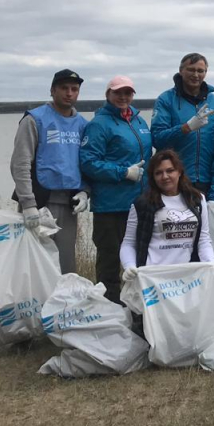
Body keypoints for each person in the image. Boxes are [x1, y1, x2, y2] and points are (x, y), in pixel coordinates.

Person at [120, 150, 214, 296]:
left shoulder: (197, 199)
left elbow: (203, 239)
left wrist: (211, 262)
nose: (165, 176)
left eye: (170, 170)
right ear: (152, 177)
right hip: (154, 277)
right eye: (158, 173)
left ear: (179, 172)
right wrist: (129, 266)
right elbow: (128, 243)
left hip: (188, 274)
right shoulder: (142, 204)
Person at [79, 76, 153, 304]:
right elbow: (88, 162)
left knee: (139, 260)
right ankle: (109, 308)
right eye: (118, 93)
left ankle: (137, 310)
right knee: (110, 261)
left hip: (139, 203)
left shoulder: (139, 122)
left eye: (128, 93)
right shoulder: (99, 124)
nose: (123, 97)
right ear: (107, 95)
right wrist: (123, 172)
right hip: (111, 206)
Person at [10, 68, 90, 274]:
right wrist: (28, 204)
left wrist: (85, 191)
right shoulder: (35, 119)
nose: (69, 93)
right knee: (35, 264)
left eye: (74, 89)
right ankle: (35, 306)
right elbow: (20, 164)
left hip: (68, 205)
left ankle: (64, 305)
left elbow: (87, 162)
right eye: (64, 88)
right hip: (39, 202)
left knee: (65, 265)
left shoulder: (82, 124)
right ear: (52, 90)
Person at [151, 53, 214, 193]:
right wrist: (185, 128)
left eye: (200, 71)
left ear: (205, 73)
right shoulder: (166, 100)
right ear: (181, 71)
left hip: (207, 179)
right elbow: (157, 139)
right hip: (175, 180)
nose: (196, 75)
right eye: (191, 70)